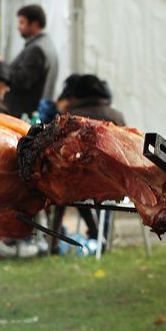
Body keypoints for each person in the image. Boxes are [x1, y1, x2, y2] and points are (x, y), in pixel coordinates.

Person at [49, 74, 126, 254]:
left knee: (65, 183)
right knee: (75, 183)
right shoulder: (117, 116)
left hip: (79, 182)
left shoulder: (71, 117)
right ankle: (99, 234)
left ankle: (54, 241)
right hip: (114, 182)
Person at [4, 4, 59, 120]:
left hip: (26, 116)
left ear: (35, 24)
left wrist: (0, 69)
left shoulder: (36, 49)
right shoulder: (46, 44)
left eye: (22, 22)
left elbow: (23, 80)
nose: (18, 27)